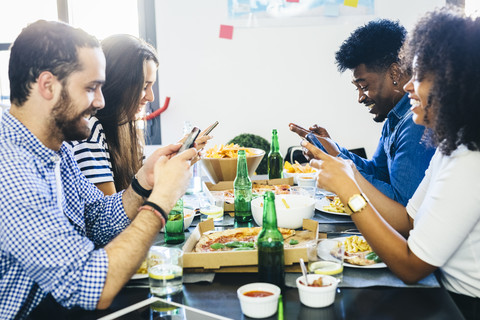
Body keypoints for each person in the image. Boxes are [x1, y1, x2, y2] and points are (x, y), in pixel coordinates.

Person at [0, 20, 196, 319]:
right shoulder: (10, 168)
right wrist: (162, 199)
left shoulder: (58, 150)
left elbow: (95, 219)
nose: (100, 102)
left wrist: (144, 182)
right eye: (91, 88)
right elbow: (90, 286)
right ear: (48, 86)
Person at [302, 7, 480, 320]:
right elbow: (407, 221)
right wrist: (345, 168)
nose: (410, 85)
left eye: (421, 76)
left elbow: (411, 266)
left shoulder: (470, 161)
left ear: (454, 85)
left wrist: (349, 187)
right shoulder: (450, 146)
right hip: (439, 289)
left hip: (461, 305)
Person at [290, 19, 435, 206]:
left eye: (364, 86)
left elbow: (401, 207)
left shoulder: (415, 124)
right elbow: (378, 172)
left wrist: (340, 166)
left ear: (395, 73)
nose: (360, 97)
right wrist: (334, 151)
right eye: (357, 88)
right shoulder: (394, 117)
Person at [69, 34, 210, 195]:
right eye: (144, 86)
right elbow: (110, 215)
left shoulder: (129, 129)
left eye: (152, 86)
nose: (151, 97)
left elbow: (140, 188)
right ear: (118, 83)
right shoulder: (89, 132)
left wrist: (174, 162)